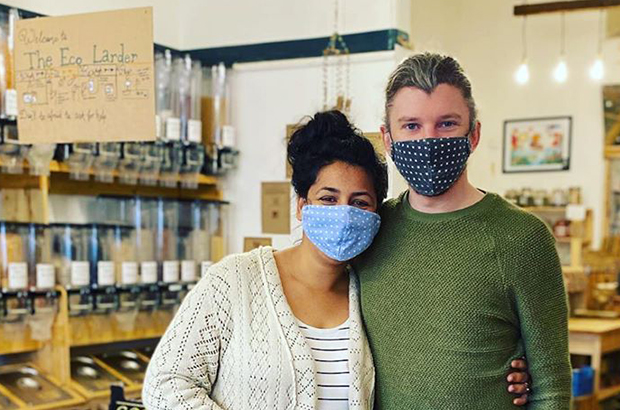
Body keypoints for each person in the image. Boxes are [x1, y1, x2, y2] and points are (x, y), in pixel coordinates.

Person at [142, 111, 530, 409]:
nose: (344, 213)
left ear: (377, 215)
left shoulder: (373, 291)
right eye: (328, 198)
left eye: (360, 202)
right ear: (301, 205)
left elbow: (427, 360)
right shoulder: (235, 281)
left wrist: (506, 372)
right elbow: (165, 385)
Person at [355, 53, 571, 409]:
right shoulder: (371, 231)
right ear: (387, 139)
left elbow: (551, 389)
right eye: (411, 126)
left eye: (446, 124)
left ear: (474, 134)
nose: (428, 140)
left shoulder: (522, 238)